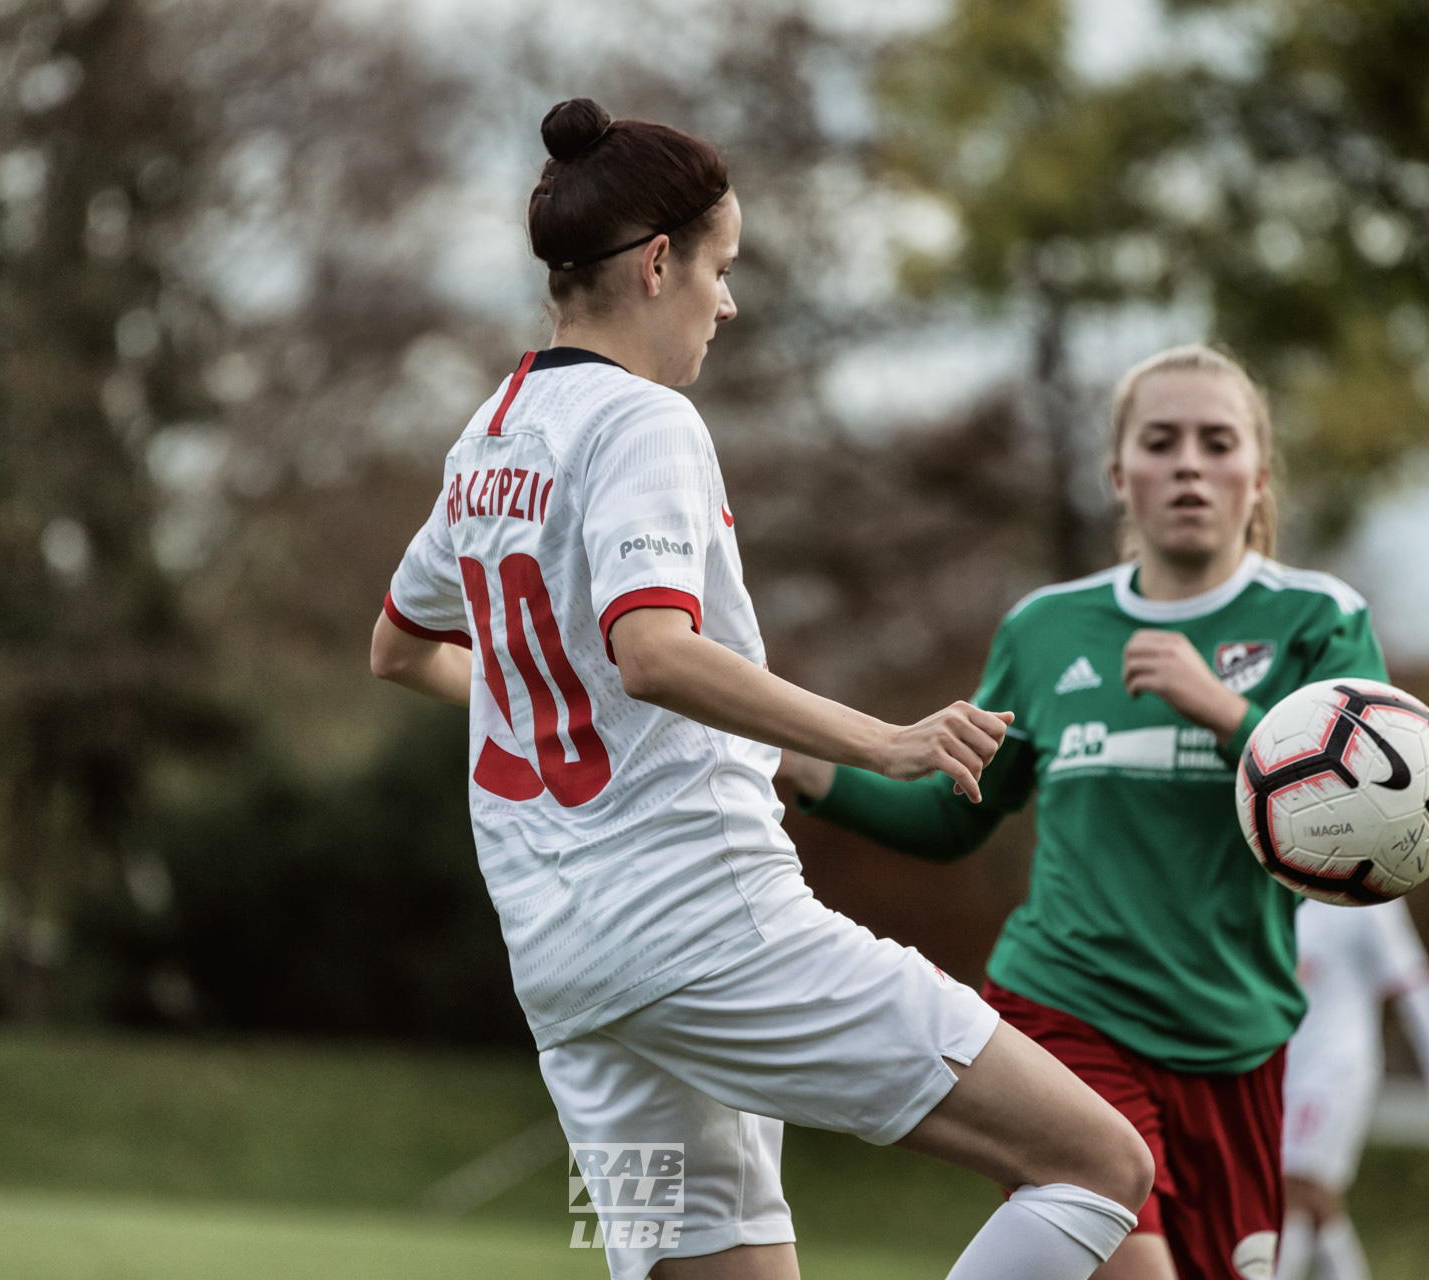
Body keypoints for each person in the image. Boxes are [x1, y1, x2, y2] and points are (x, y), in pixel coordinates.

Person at [369, 97, 1151, 1280]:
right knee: (1098, 1163)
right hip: (710, 931)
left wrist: (547, 694)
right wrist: (885, 740)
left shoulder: (489, 436)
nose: (726, 303)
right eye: (722, 269)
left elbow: (398, 645)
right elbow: (653, 650)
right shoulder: (645, 420)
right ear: (657, 264)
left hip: (567, 968)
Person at [777, 343, 1389, 1280]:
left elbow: (1366, 821)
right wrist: (808, 767)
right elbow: (953, 817)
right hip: (1068, 1012)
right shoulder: (1046, 628)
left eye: (1218, 442)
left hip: (1237, 1040)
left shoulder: (1322, 621)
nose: (1189, 464)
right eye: (1161, 442)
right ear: (1117, 475)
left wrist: (1222, 710)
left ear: (1259, 474)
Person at [1274, 899, 1429, 1280]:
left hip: (1336, 1070)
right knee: (1315, 1203)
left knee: (1294, 1188)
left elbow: (1414, 982)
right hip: (1288, 1072)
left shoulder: (1369, 900)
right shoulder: (1286, 894)